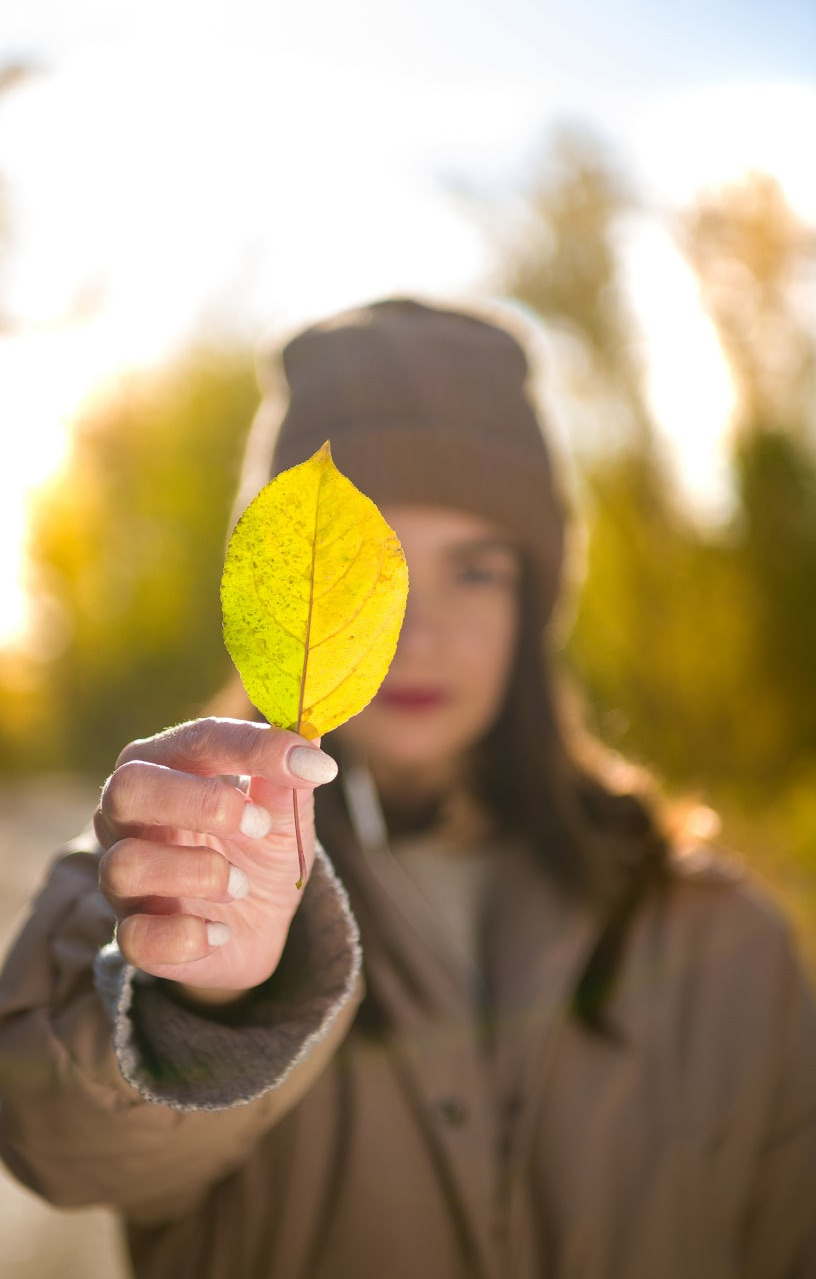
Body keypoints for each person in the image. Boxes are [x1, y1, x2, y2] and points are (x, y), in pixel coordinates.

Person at [0, 297, 814, 1279]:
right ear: (290, 596)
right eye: (371, 568)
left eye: (474, 571)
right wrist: (208, 990)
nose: (421, 630)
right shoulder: (172, 864)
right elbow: (57, 1133)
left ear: (533, 597)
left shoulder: (716, 939)